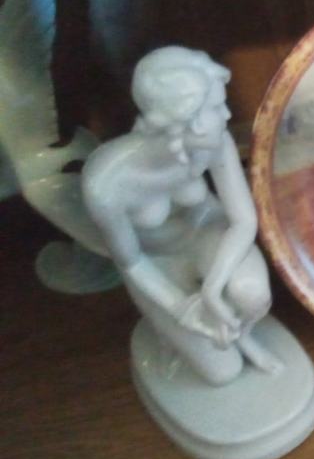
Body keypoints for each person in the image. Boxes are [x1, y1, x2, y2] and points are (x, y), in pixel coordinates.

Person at [82, 46, 280, 386]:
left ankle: (240, 334)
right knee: (224, 373)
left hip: (206, 234)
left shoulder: (213, 143)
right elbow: (131, 263)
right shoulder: (107, 183)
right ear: (185, 119)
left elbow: (244, 220)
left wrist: (213, 288)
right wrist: (180, 308)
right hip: (155, 263)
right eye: (216, 107)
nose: (228, 115)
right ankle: (174, 333)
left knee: (252, 295)